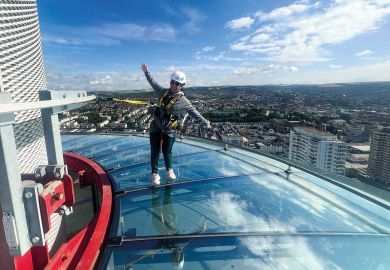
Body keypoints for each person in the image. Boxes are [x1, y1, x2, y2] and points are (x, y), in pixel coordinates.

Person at [141, 63, 211, 186]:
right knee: (155, 151)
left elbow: (195, 113)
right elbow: (153, 83)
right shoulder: (162, 92)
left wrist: (206, 123)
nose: (174, 85)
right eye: (172, 82)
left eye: (177, 84)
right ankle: (155, 174)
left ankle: (169, 170)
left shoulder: (185, 102)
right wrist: (147, 72)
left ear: (182, 86)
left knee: (167, 151)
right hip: (156, 125)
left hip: (170, 129)